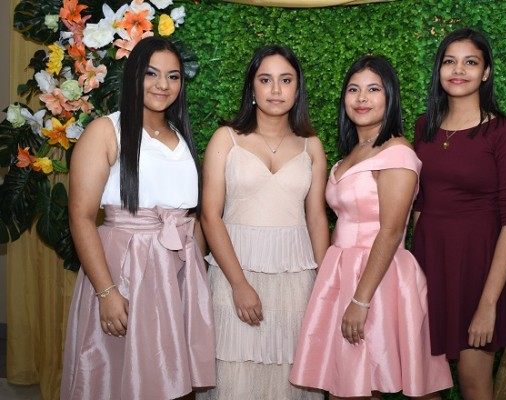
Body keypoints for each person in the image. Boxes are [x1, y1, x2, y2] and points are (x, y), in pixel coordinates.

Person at [60, 36, 215, 400]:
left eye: (173, 76)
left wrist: (197, 282)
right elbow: (81, 217)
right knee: (118, 377)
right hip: (126, 272)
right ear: (133, 75)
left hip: (177, 274)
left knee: (173, 380)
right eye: (151, 73)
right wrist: (106, 292)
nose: (163, 84)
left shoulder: (181, 136)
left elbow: (191, 217)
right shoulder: (106, 131)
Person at [289, 55, 452, 400]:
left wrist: (360, 301)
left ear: (390, 96)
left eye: (373, 89)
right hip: (342, 272)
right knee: (348, 386)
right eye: (353, 89)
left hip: (380, 278)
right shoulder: (352, 153)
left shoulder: (397, 153)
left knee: (403, 388)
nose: (362, 98)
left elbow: (391, 231)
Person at [200, 45, 329, 399]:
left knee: (291, 372)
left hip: (295, 276)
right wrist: (239, 284)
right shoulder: (226, 138)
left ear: (297, 88)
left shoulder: (311, 145)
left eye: (286, 80)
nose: (275, 89)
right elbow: (210, 215)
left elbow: (316, 217)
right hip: (234, 270)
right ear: (252, 87)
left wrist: (327, 284)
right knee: (234, 372)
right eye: (265, 79)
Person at [411, 28, 506, 400]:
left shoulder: (504, 132)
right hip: (428, 264)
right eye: (450, 61)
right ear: (439, 69)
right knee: (420, 384)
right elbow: (418, 205)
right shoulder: (423, 127)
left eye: (470, 62)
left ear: (486, 72)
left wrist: (488, 304)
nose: (458, 70)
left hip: (479, 270)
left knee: (474, 383)